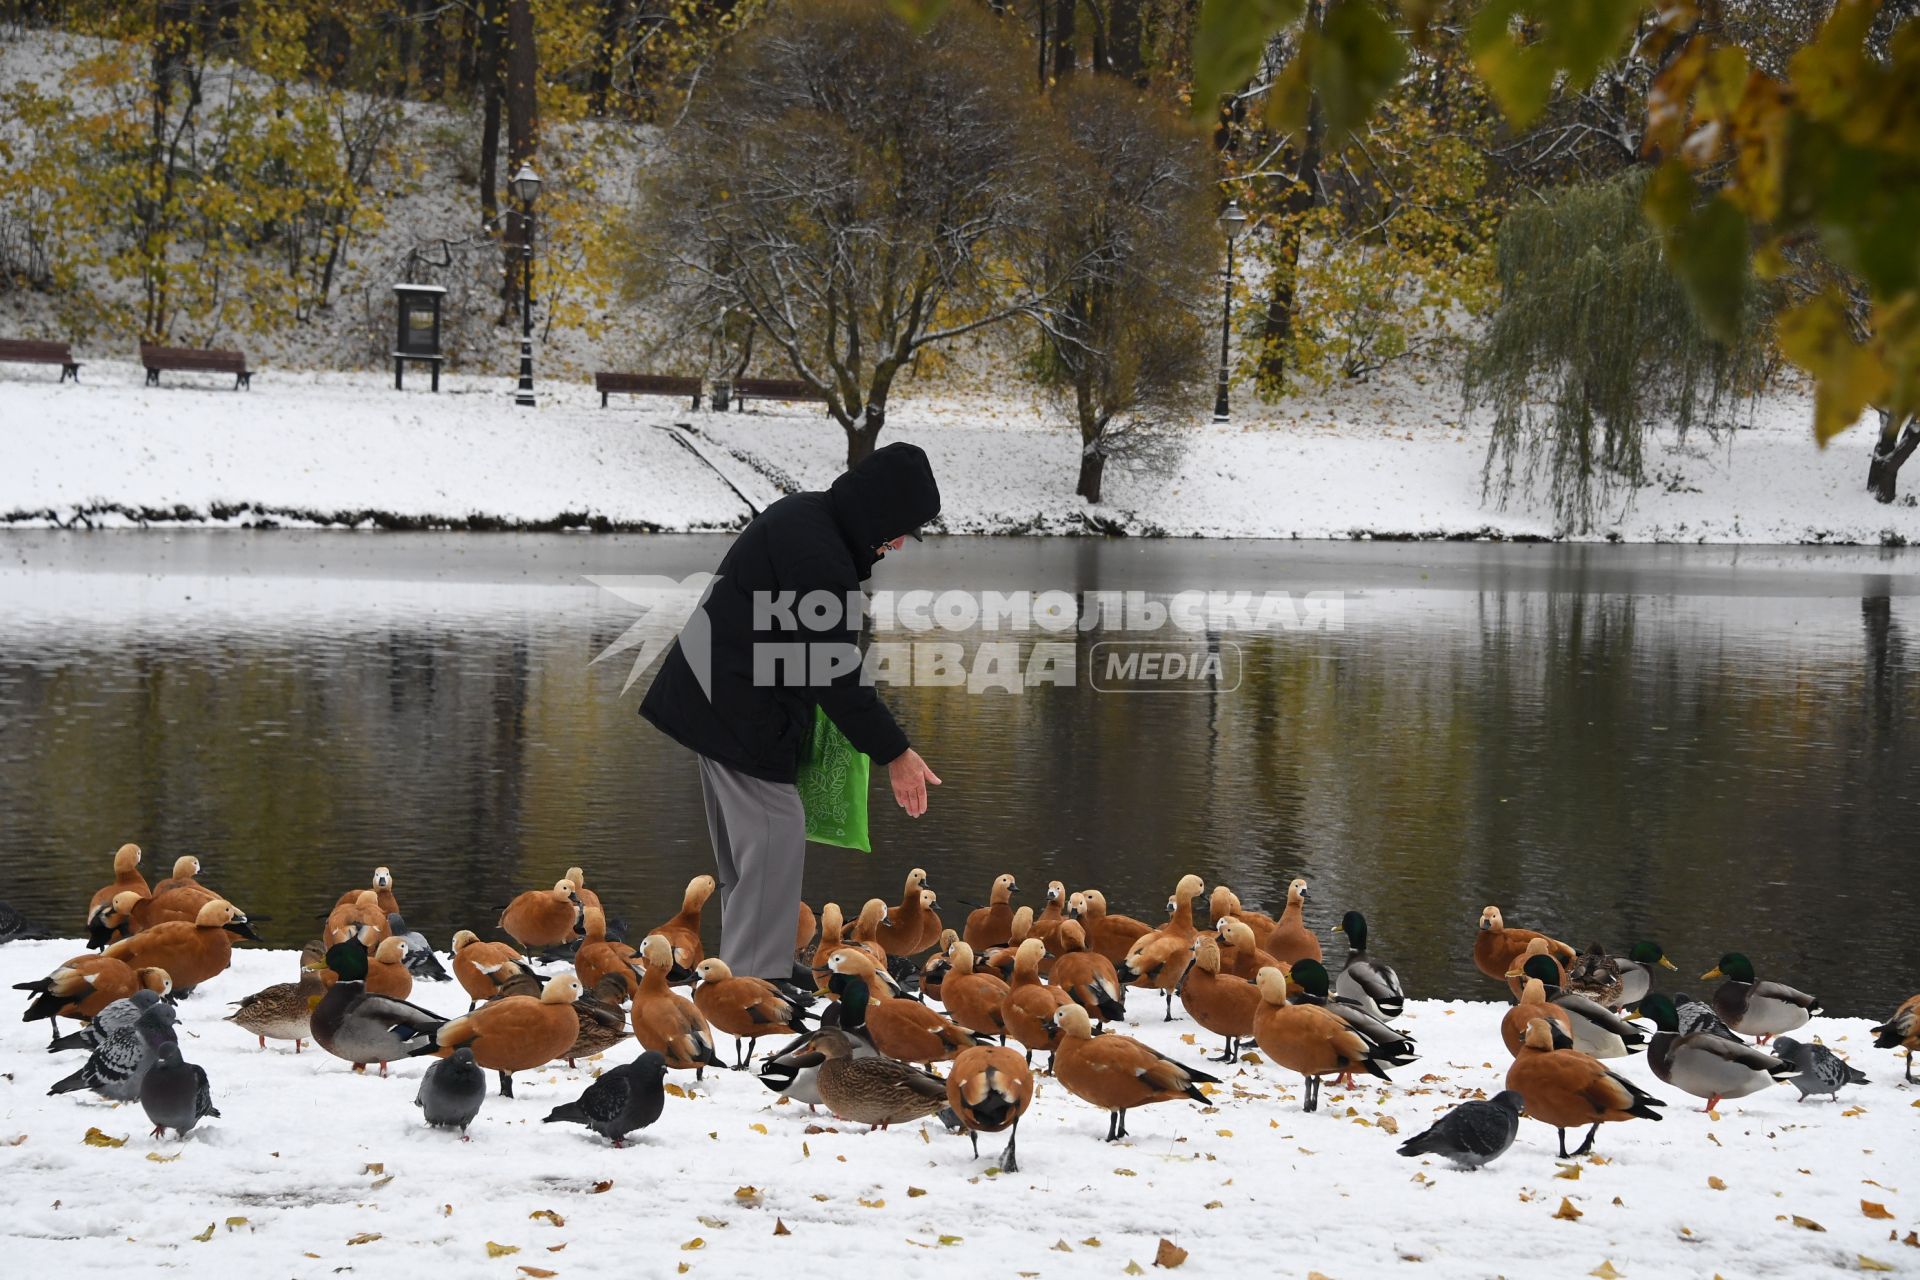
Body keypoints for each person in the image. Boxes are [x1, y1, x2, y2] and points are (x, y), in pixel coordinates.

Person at [640, 441, 943, 983]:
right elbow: (832, 669)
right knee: (775, 839)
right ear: (880, 512)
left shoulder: (805, 516)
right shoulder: (819, 555)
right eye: (902, 529)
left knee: (750, 862)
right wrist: (894, 751)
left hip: (717, 705)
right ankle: (756, 989)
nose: (899, 544)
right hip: (739, 715)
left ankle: (745, 972)